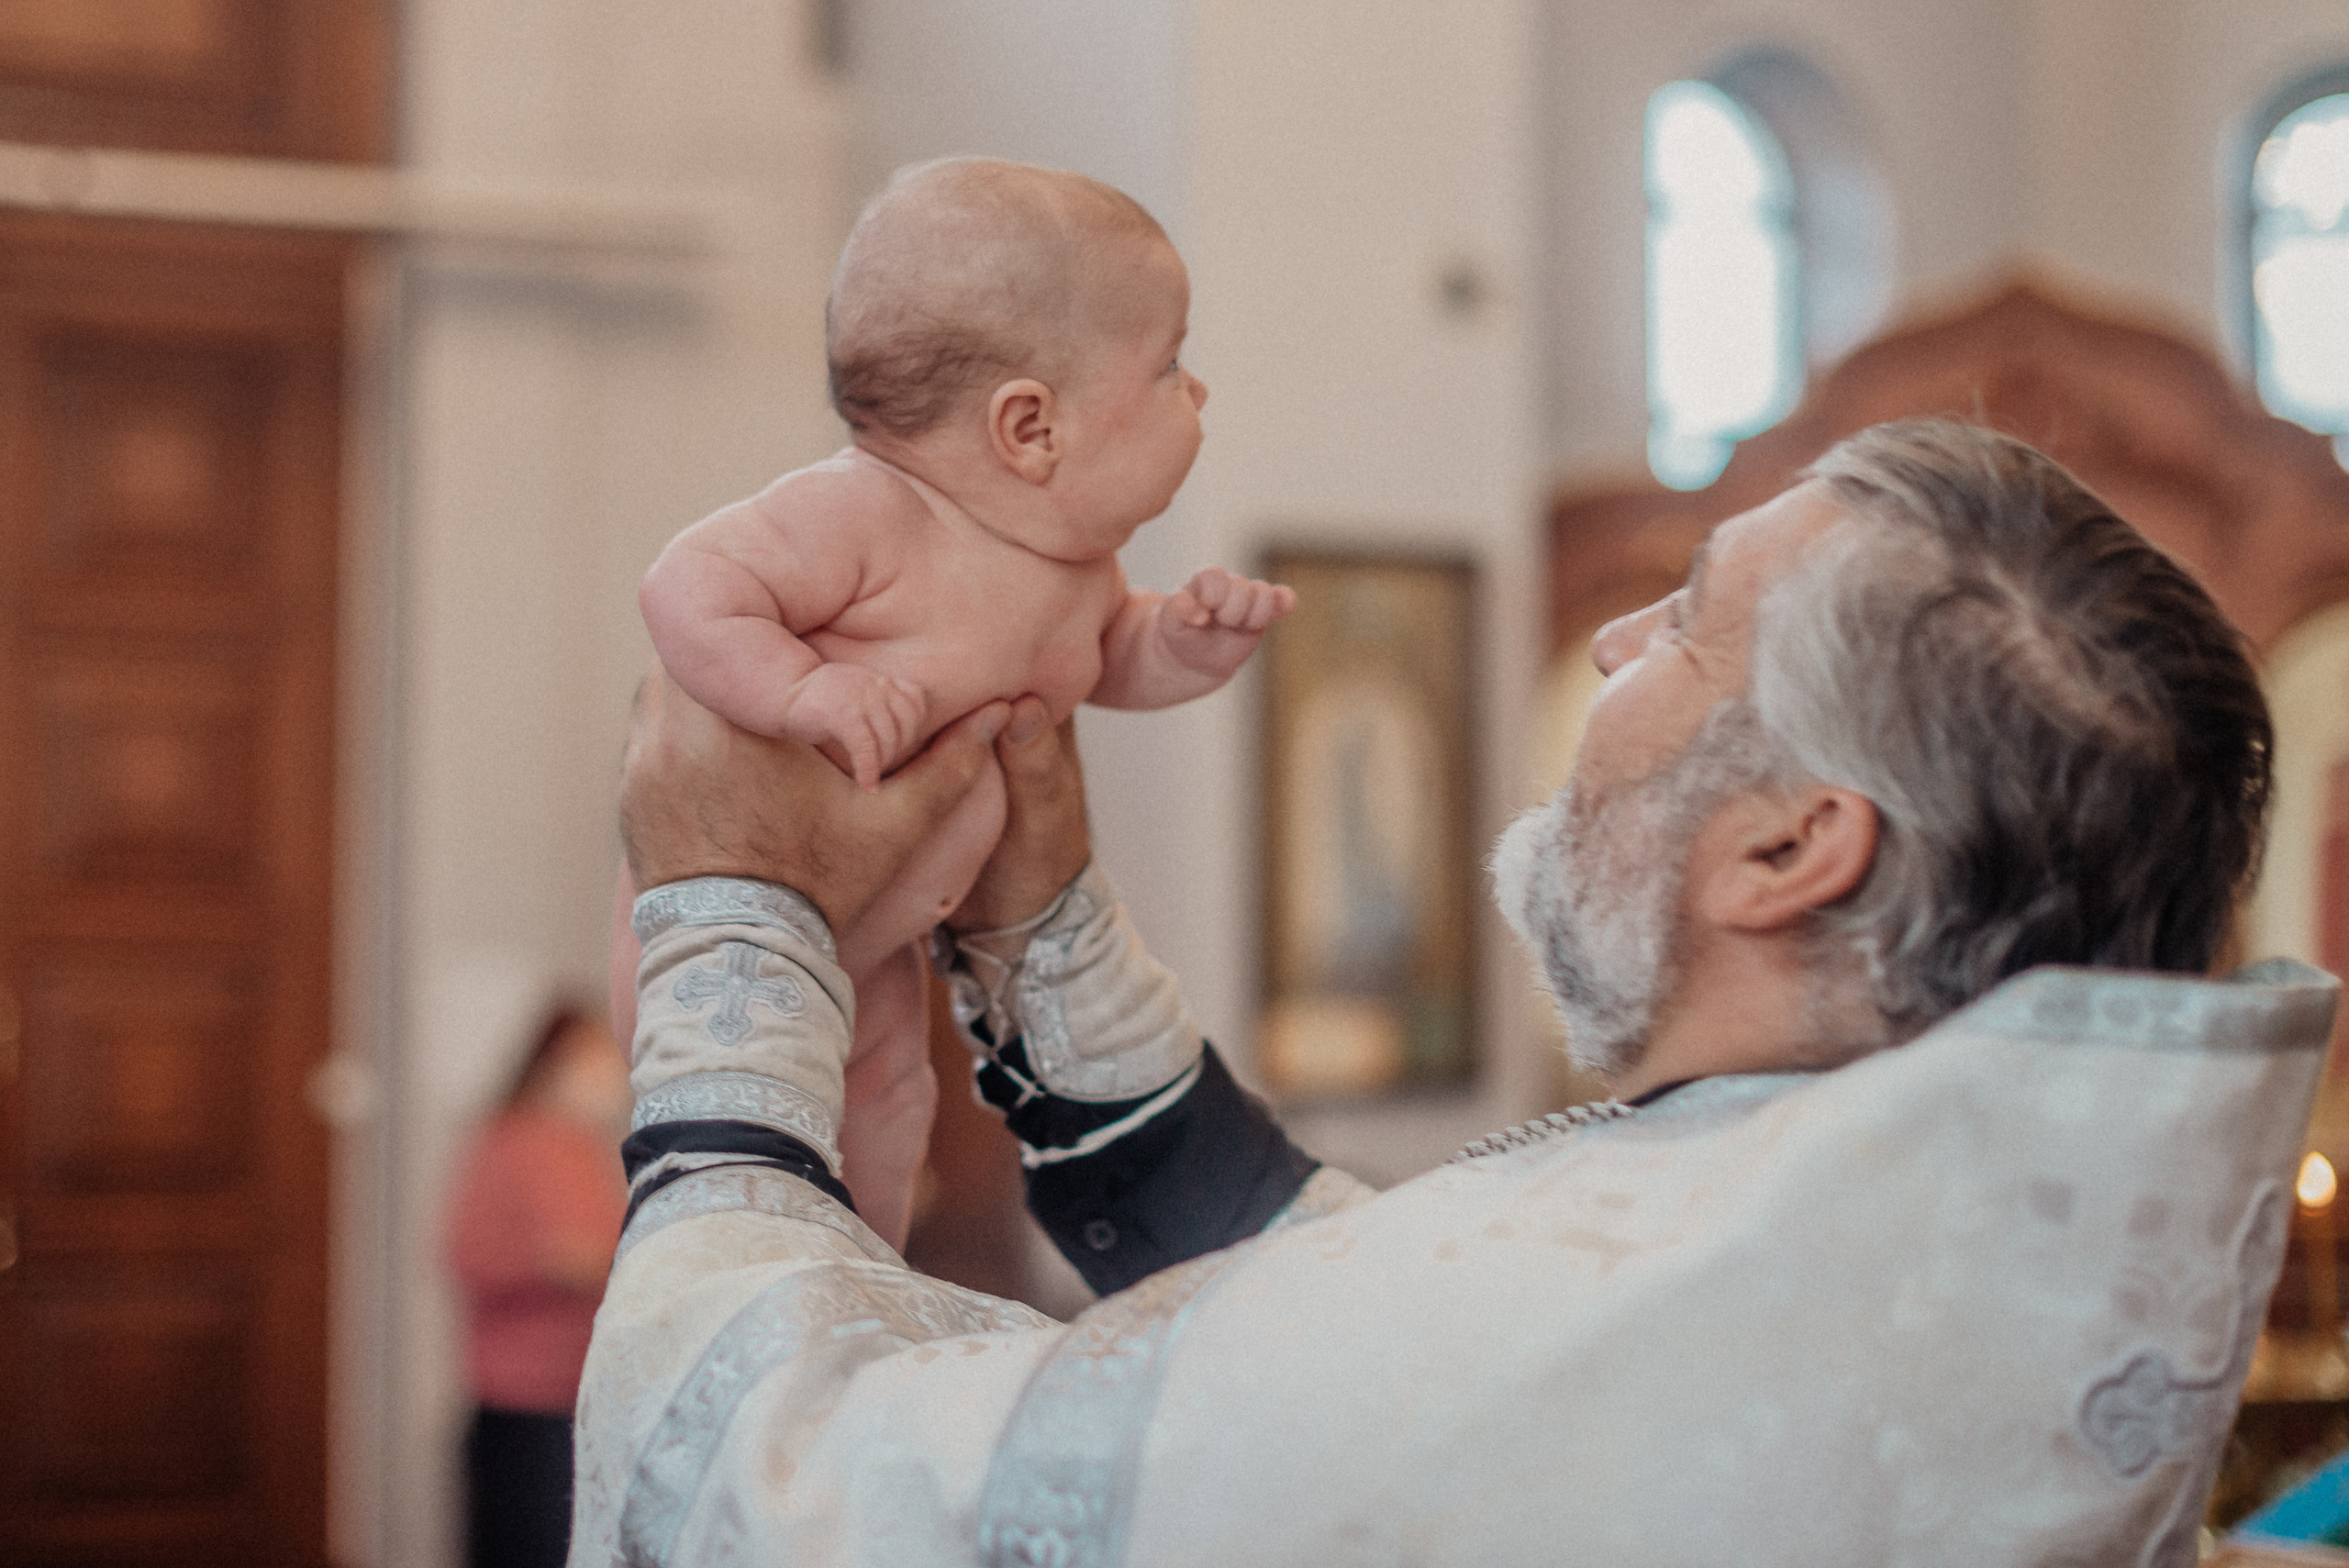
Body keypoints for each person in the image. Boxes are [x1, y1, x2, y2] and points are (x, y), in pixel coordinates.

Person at [577, 421, 2340, 1567]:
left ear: (1793, 845)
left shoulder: (1580, 1345)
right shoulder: (1933, 1284)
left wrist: (739, 918)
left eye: (1690, 616)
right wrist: (1049, 939)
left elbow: (769, 1479)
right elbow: (1341, 1287)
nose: (1610, 647)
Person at [628, 158, 1294, 1246]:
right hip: (745, 919)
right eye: (1171, 365)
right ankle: (770, 1293)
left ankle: (852, 1294)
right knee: (778, 1132)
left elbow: (1111, 660)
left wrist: (1180, 641)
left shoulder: (1076, 570)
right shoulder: (865, 514)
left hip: (885, 945)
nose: (1199, 391)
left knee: (893, 1114)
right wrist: (804, 688)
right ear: (1030, 429)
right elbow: (686, 586)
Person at [443, 1006, 630, 1568]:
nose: (615, 1070)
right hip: (526, 1400)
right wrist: (565, 1264)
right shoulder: (520, 1138)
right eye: (598, 1055)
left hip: (574, 1397)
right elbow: (466, 1254)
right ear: (557, 1060)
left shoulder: (577, 1144)